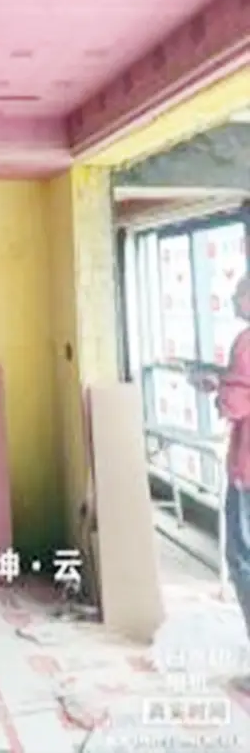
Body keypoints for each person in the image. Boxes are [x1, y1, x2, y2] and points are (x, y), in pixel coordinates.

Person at [190, 274, 250, 674]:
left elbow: (235, 404)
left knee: (242, 557)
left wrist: (214, 387)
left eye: (238, 294)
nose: (232, 301)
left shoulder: (246, 342)